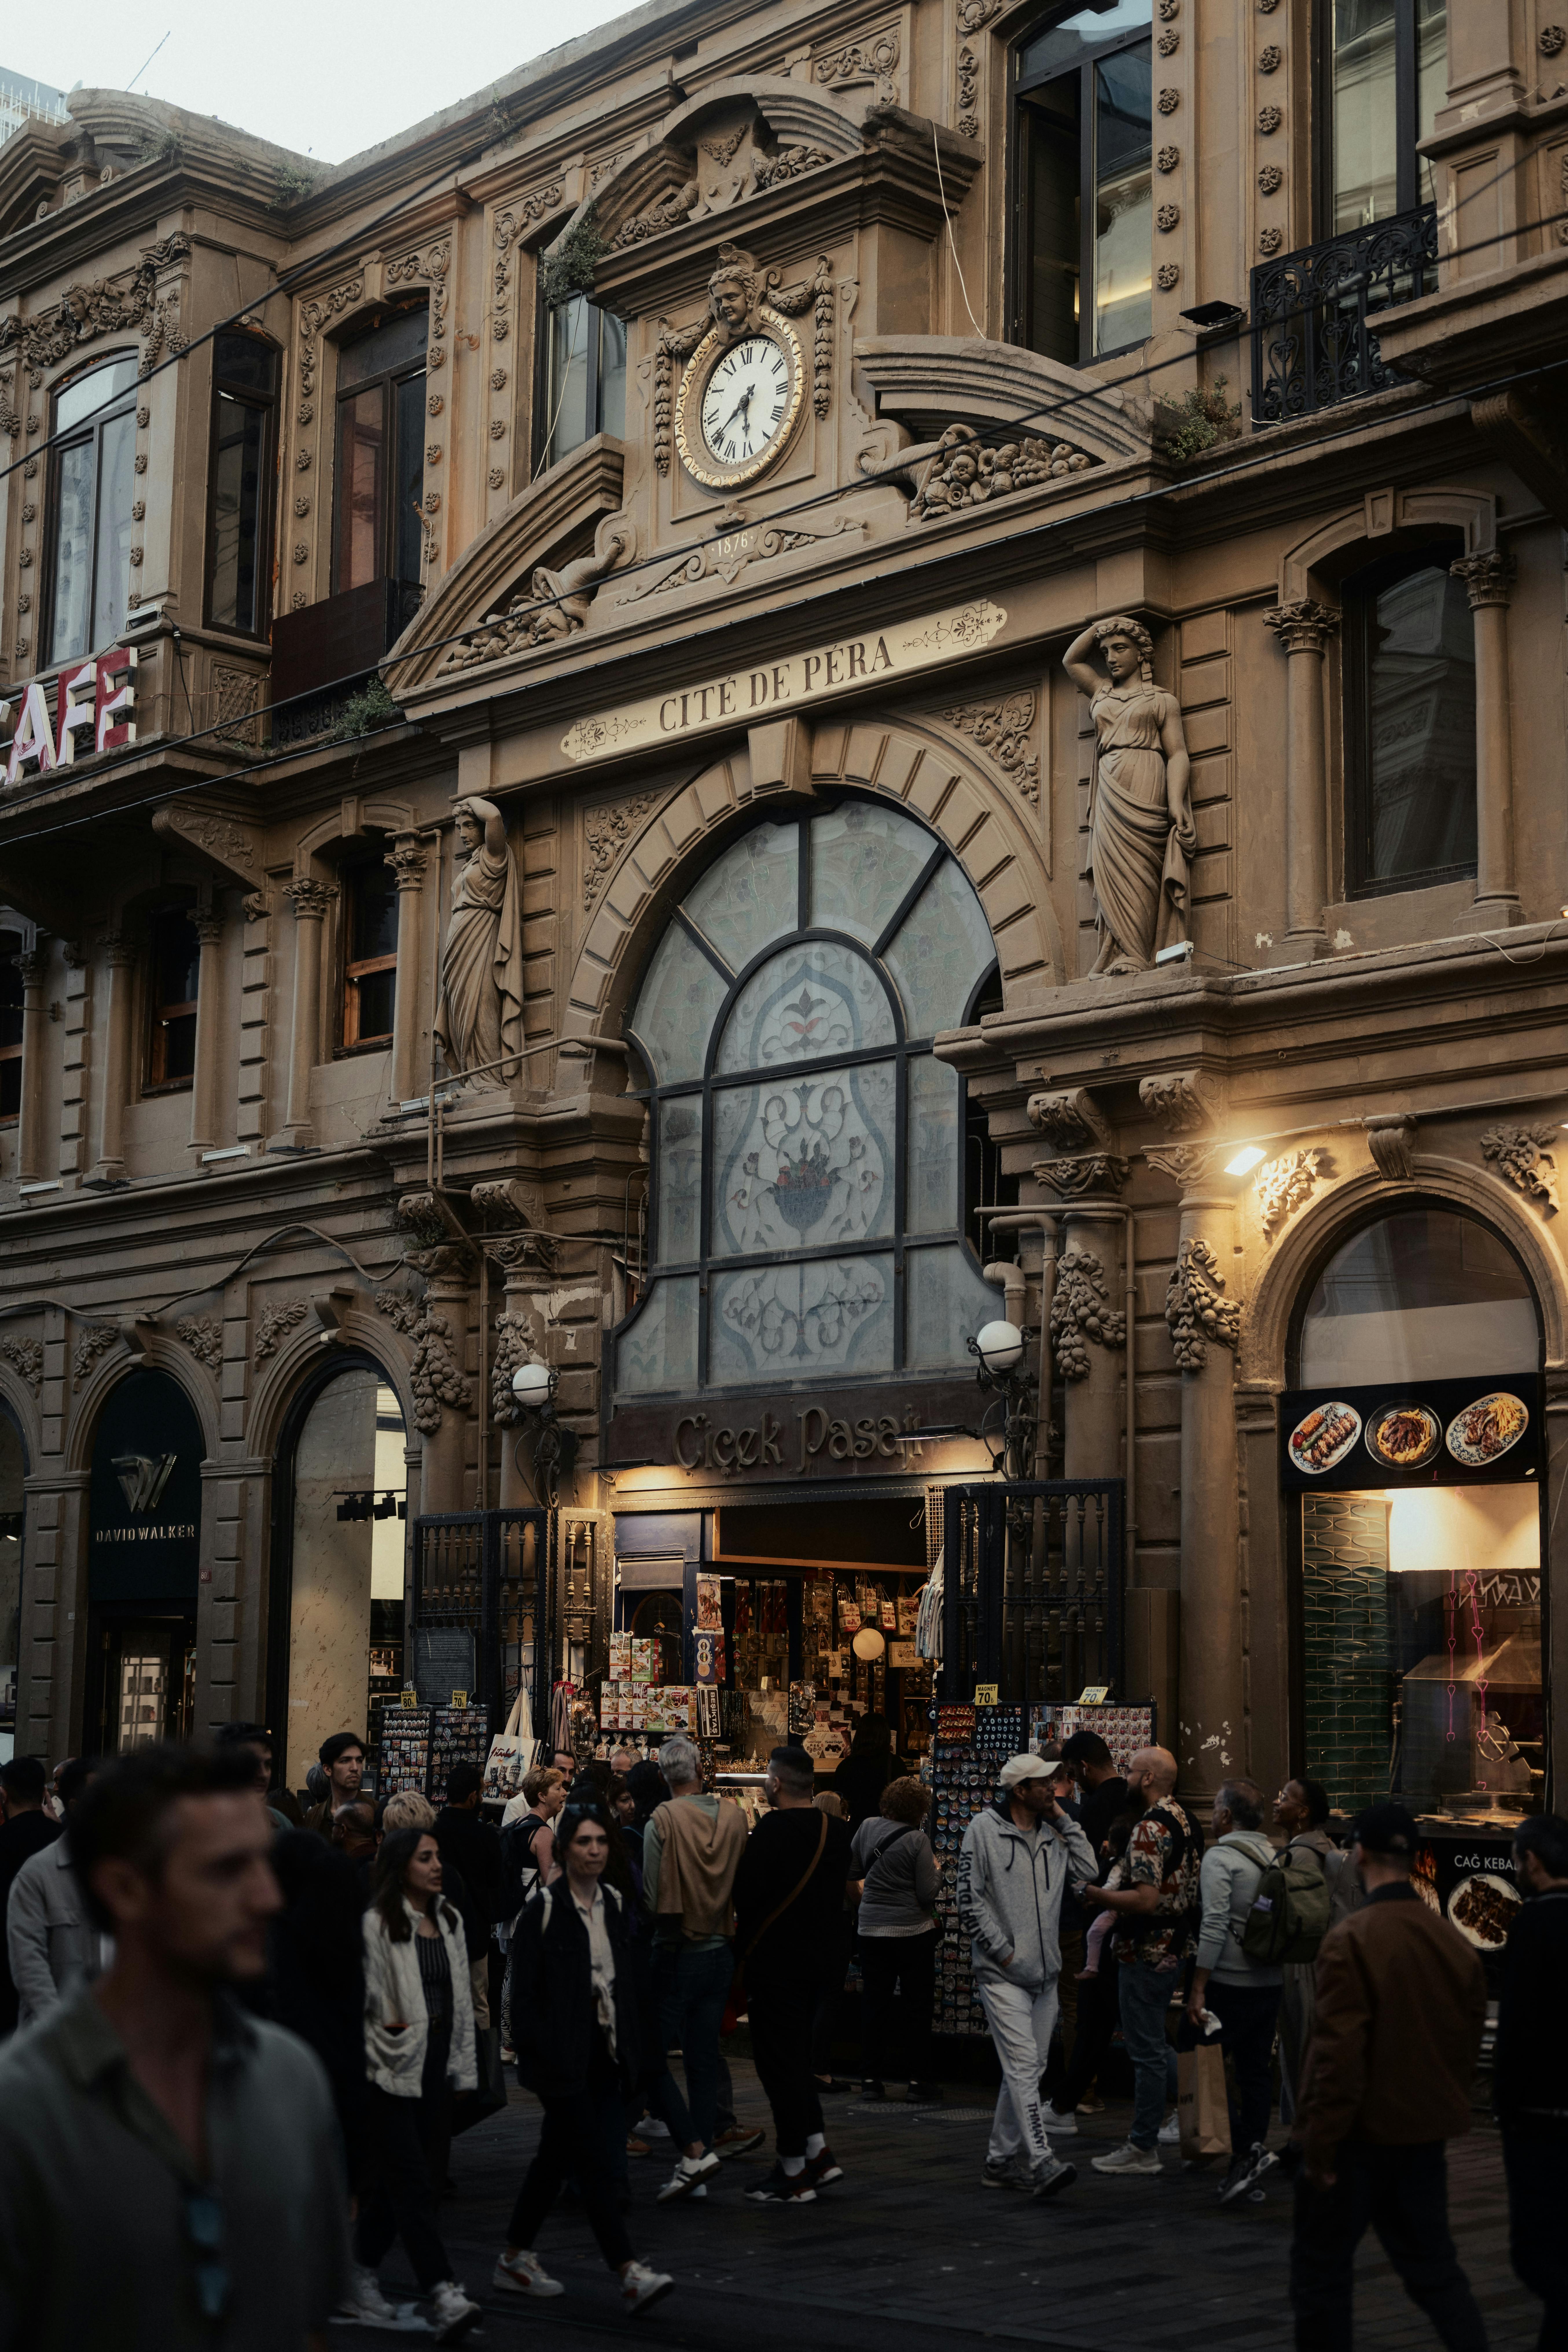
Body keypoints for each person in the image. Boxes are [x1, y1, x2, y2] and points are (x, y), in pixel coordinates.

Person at [0, 1743, 348, 2349]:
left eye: (263, 1862)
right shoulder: (24, 2109)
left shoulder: (291, 2077)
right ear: (126, 1888)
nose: (266, 1896)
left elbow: (310, 2320)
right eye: (225, 1868)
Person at [1289, 1801, 1487, 2352]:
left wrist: (1318, 2145)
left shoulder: (1352, 1937)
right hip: (1421, 2136)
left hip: (1356, 2136)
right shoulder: (1452, 1941)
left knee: (1321, 2274)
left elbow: (1336, 2054)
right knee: (1434, 2269)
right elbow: (1466, 2040)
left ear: (1358, 1853)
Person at [500, 1803, 674, 2315]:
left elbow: (621, 1982)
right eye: (583, 1841)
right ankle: (627, 2270)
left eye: (600, 1841)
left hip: (604, 2051)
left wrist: (633, 2050)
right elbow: (524, 1996)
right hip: (561, 2056)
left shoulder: (613, 1903)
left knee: (553, 2159)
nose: (594, 1850)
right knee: (593, 2160)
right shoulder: (544, 1910)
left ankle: (513, 2256)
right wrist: (540, 2053)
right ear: (564, 1849)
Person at [354, 1825, 481, 2341]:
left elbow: (460, 1998)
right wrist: (389, 2046)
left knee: (402, 2179)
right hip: (389, 2065)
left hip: (435, 2059)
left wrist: (462, 2067)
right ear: (400, 1865)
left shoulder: (448, 1918)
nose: (436, 1865)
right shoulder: (377, 1923)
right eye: (425, 1857)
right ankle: (442, 2290)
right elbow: (368, 2002)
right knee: (412, 2180)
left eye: (437, 1856)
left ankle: (359, 2270)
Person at [958, 1751, 1091, 2198]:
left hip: (1046, 1973)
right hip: (1003, 1973)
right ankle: (1039, 2159)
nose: (1053, 1788)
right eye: (1043, 1783)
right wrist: (1004, 1953)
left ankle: (999, 2161)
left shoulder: (1053, 1832)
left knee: (1028, 2068)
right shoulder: (983, 1830)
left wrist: (1063, 1819)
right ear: (1019, 1790)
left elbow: (1089, 1873)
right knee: (1021, 2065)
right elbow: (969, 1898)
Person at [733, 1745, 853, 2205]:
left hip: (776, 1964)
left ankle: (792, 2170)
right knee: (797, 2059)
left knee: (777, 2065)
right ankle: (817, 2149)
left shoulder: (770, 1831)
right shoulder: (836, 1831)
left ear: (776, 1782)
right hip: (821, 1962)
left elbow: (748, 1895)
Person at [1079, 1744, 1200, 2176]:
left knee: (1146, 2051)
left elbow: (1146, 1899)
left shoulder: (1150, 1827)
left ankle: (1142, 2145)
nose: (1126, 1778)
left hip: (1146, 1949)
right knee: (1154, 2045)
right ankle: (1200, 2109)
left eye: (1131, 1771)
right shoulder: (1182, 1817)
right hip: (1171, 1948)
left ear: (1148, 1778)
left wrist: (1096, 1894)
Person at [641, 1735, 747, 2203]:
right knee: (703, 2059)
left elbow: (651, 1895)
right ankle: (698, 2155)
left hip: (675, 1951)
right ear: (701, 1770)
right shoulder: (734, 1816)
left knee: (649, 2057)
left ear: (663, 1775)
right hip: (721, 1948)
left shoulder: (662, 1819)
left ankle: (692, 2147)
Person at [1063, 613, 1195, 975]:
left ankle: (1138, 953)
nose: (1110, 658)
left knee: (1140, 868)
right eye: (1105, 651)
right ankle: (1120, 949)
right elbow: (1071, 660)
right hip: (1109, 786)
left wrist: (1176, 803)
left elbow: (1177, 754)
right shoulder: (1101, 692)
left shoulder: (1162, 700)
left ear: (1141, 653)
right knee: (1111, 866)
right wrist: (1103, 626)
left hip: (1146, 779)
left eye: (1120, 648)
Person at [1187, 1777, 1284, 2204]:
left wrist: (1198, 1986)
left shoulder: (1220, 1857)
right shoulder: (1273, 1855)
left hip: (1228, 1982)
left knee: (1199, 2055)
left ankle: (1240, 2146)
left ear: (1226, 1815)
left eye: (1214, 1807)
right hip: (1270, 1981)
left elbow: (1213, 1923)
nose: (1211, 1815)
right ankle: (1249, 2153)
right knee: (1255, 2070)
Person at [1494, 1812, 1568, 2347]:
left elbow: (1516, 2026)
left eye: (1515, 1859)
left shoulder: (1531, 1924)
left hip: (1539, 2112)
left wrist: (1506, 2102)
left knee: (1535, 2248)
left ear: (1532, 1861)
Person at [850, 1774, 941, 2103]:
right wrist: (939, 1871)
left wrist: (868, 1907)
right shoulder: (918, 1840)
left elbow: (852, 1874)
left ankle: (870, 2079)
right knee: (917, 2006)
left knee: (874, 2004)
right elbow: (926, 1894)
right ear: (919, 1809)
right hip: (912, 1932)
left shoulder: (866, 1827)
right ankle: (918, 2080)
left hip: (871, 1931)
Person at [6, 1755, 105, 2030]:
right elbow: (30, 1970)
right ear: (76, 1806)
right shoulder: (38, 1874)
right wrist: (65, 2034)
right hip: (57, 2039)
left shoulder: (130, 1872)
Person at [1272, 1775, 1347, 2130]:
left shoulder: (1300, 1854)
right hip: (1316, 1961)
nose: (1277, 1802)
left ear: (1302, 1812)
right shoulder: (1323, 1845)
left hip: (1300, 1963)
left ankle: (1304, 2132)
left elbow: (1295, 1914)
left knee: (1298, 2045)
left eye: (1285, 1797)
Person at [0, 1756, 60, 2037]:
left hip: (7, 1972)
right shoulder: (65, 1840)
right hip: (58, 1972)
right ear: (44, 1793)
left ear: (4, 1795)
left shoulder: (4, 1841)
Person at [213, 1723, 296, 1833]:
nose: (264, 1774)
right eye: (252, 1764)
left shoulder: (281, 1823)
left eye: (268, 1764)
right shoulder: (202, 1822)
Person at [831, 1713, 898, 1831]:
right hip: (886, 1832)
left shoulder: (845, 1766)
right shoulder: (895, 1764)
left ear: (859, 1735)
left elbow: (838, 1804)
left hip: (853, 1831)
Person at [304, 1735, 365, 1837]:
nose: (355, 1768)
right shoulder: (313, 1816)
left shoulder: (312, 1816)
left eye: (359, 1761)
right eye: (345, 1761)